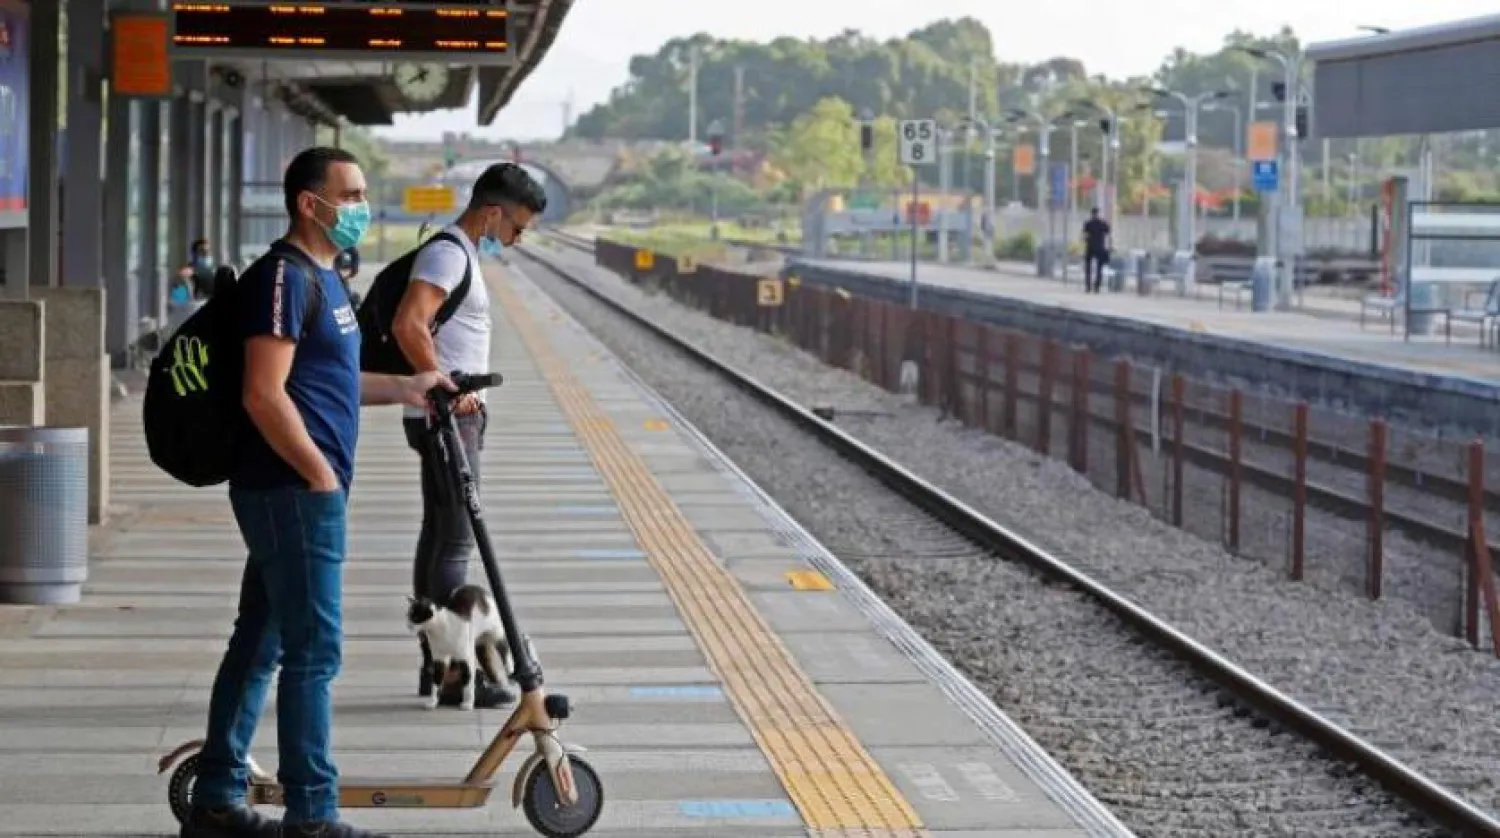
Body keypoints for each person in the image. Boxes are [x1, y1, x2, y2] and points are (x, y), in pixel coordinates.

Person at [181, 146, 454, 838]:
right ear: (311, 203)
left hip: (297, 491)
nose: (361, 205)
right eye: (352, 193)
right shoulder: (282, 278)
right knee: (314, 651)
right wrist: (318, 474)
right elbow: (262, 394)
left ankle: (216, 799)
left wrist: (407, 387)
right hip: (291, 492)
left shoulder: (327, 278)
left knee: (263, 642)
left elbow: (331, 381)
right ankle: (312, 813)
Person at [391, 162, 546, 709]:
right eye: (518, 226)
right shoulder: (448, 253)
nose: (519, 237)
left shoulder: (460, 253)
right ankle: (458, 672)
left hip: (445, 415)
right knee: (455, 537)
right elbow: (409, 324)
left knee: (439, 532)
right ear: (493, 212)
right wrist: (445, 387)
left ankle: (437, 665)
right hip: (446, 418)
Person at [1082, 207, 1112, 293]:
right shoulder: (1103, 224)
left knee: (1088, 267)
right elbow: (1108, 233)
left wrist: (1086, 240)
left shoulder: (1088, 224)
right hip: (1100, 248)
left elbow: (1085, 235)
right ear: (1098, 213)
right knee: (1099, 268)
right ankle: (1097, 287)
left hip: (1090, 247)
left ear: (1092, 214)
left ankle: (1088, 286)